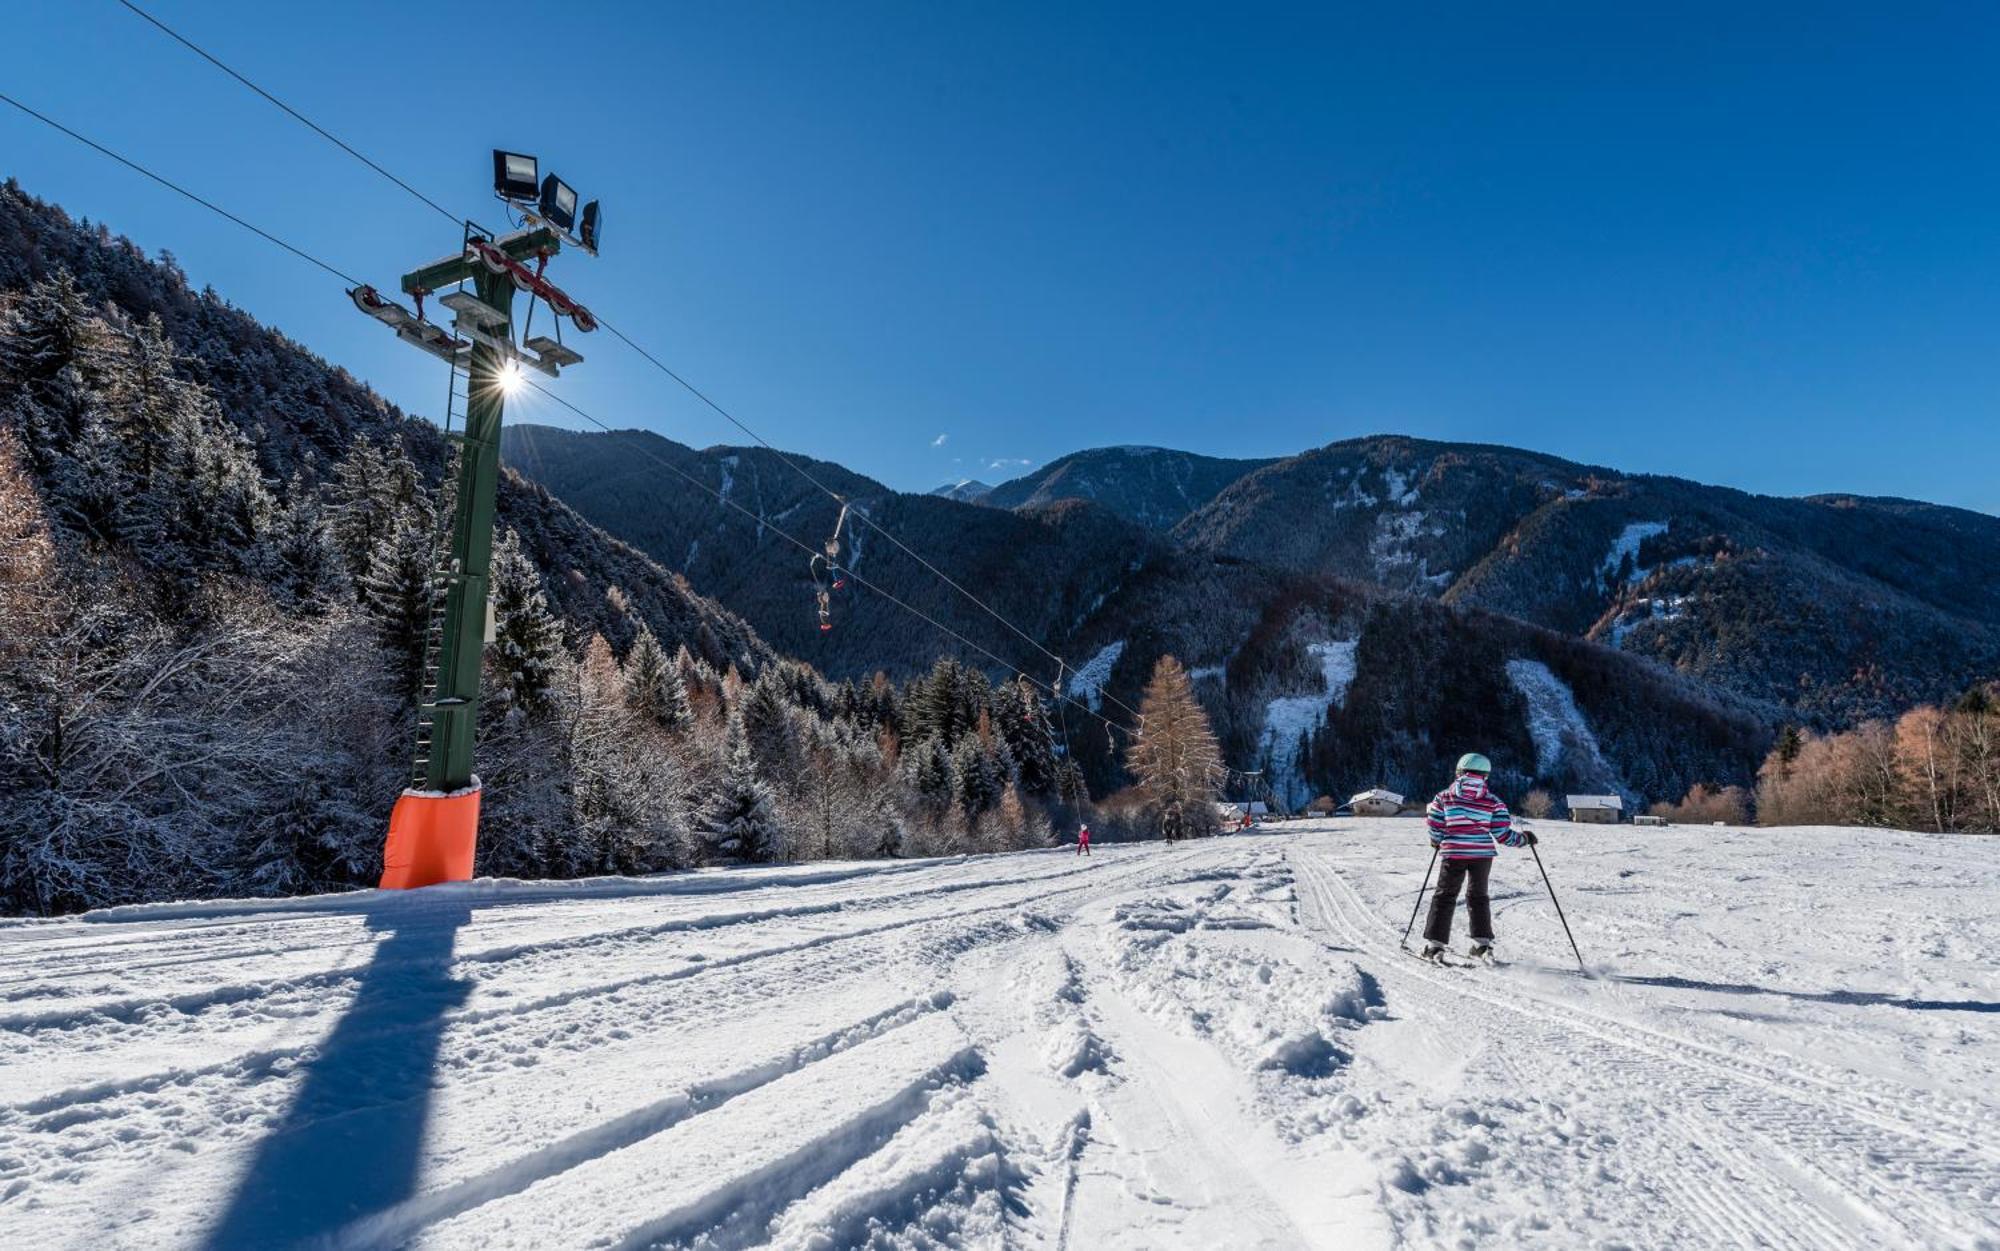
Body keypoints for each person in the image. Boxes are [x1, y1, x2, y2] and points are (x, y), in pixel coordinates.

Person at [1420, 752, 1536, 962]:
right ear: (1485, 776)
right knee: (1478, 896)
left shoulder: (1444, 797)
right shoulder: (1494, 802)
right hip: (1482, 855)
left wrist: (1436, 840)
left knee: (1445, 895)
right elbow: (1502, 835)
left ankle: (1435, 946)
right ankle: (1482, 945)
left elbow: (1435, 824)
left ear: (1459, 773)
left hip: (1453, 852)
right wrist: (1524, 839)